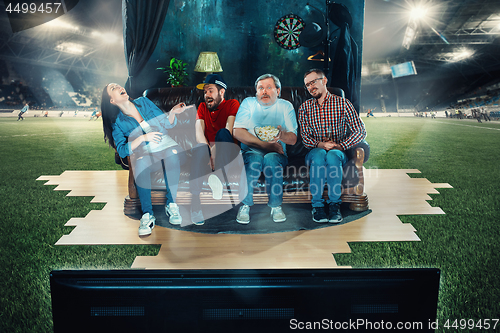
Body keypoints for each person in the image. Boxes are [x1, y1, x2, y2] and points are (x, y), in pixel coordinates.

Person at [101, 83, 188, 236]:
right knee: (140, 163)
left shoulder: (144, 102)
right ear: (112, 101)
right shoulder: (118, 123)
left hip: (167, 146)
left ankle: (172, 204)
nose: (119, 86)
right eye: (113, 88)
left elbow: (166, 124)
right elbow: (122, 150)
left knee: (172, 156)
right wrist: (142, 138)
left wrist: (173, 112)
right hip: (148, 154)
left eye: (117, 84)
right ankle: (147, 215)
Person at [299, 69, 366, 223]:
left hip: (338, 152)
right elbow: (305, 138)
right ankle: (318, 206)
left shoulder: (343, 103)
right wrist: (320, 144)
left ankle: (334, 205)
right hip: (314, 152)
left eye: (313, 82)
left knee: (332, 155)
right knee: (319, 154)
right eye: (307, 85)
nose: (310, 87)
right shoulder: (305, 108)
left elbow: (360, 131)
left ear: (324, 81)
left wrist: (342, 146)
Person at [233, 74, 298, 224]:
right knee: (255, 159)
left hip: (277, 153)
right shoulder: (248, 103)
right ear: (256, 92)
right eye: (260, 88)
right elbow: (237, 131)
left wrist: (281, 135)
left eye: (269, 87)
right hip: (251, 151)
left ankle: (275, 206)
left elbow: (293, 139)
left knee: (270, 158)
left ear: (278, 90)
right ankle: (245, 205)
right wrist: (265, 145)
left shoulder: (285, 106)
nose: (264, 92)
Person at [190, 74, 240, 224]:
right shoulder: (202, 107)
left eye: (210, 91)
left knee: (222, 133)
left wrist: (213, 153)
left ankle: (218, 177)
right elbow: (199, 133)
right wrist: (207, 152)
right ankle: (195, 205)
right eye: (205, 92)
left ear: (222, 92)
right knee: (199, 148)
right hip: (208, 154)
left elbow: (229, 130)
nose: (206, 95)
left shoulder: (233, 104)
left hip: (228, 155)